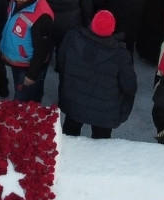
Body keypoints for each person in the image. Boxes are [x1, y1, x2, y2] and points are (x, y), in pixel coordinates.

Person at [56, 10, 136, 138]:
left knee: (70, 134)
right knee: (101, 143)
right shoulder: (120, 55)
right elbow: (130, 86)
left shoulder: (72, 38)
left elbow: (61, 63)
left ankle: (67, 156)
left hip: (74, 101)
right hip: (104, 110)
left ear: (92, 24)